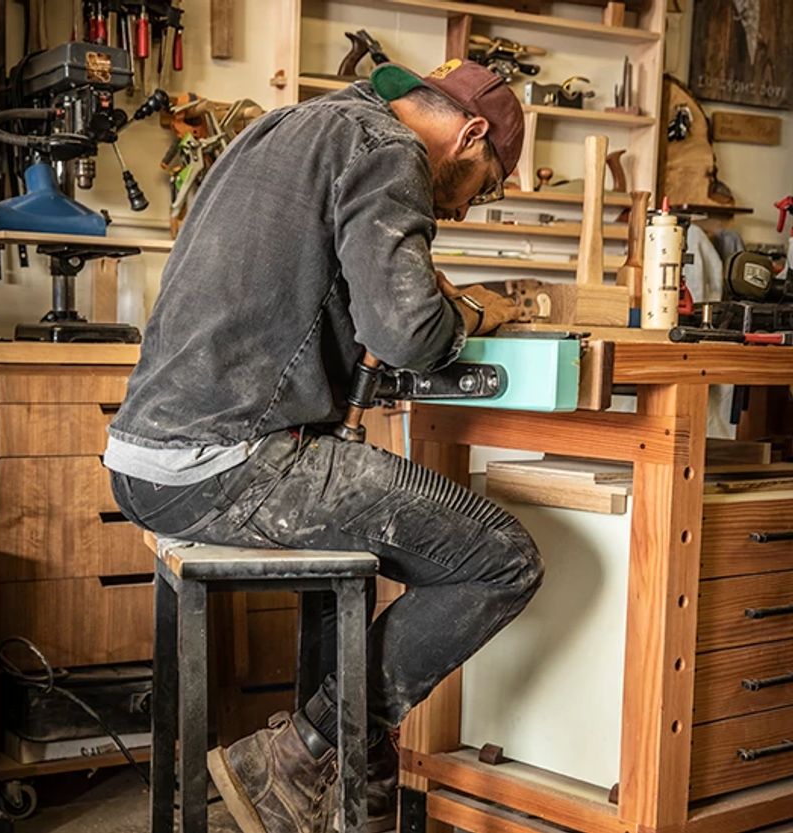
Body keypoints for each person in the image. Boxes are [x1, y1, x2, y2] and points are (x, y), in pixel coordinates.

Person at [104, 60, 538, 833]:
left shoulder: (292, 124)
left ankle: (348, 769)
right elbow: (407, 333)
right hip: (229, 460)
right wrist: (470, 312)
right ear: (470, 134)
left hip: (145, 458)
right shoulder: (388, 148)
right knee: (501, 559)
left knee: (382, 540)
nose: (470, 206)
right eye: (486, 184)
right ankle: (303, 752)